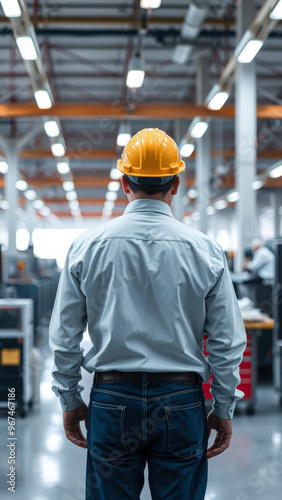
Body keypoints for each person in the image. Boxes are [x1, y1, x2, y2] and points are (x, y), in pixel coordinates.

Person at [49, 128, 247, 500]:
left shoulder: (85, 247)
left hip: (111, 398)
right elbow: (227, 339)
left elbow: (64, 336)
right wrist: (223, 405)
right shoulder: (205, 250)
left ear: (124, 182)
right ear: (175, 183)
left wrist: (70, 398)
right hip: (181, 401)